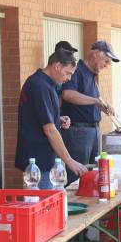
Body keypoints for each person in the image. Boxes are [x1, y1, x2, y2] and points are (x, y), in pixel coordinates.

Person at [15, 48, 88, 187]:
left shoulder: (48, 83)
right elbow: (49, 129)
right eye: (67, 73)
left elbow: (40, 115)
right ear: (57, 66)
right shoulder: (39, 85)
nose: (69, 78)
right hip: (38, 163)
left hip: (47, 161)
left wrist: (57, 119)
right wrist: (70, 161)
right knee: (44, 206)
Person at [60, 40, 118, 184]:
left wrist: (103, 105)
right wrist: (95, 101)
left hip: (93, 130)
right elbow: (67, 94)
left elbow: (93, 98)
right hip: (78, 131)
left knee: (94, 173)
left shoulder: (92, 74)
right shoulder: (77, 70)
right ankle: (73, 205)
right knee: (78, 175)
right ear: (96, 54)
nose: (107, 65)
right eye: (106, 60)